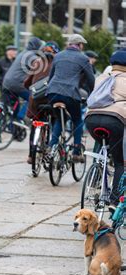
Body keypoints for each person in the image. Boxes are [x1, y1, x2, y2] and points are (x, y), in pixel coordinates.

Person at [85, 50, 126, 206]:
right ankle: (114, 201)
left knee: (103, 145)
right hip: (115, 120)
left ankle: (98, 170)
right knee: (120, 162)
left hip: (91, 120)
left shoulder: (101, 78)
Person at [46, 34, 95, 163]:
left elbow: (51, 77)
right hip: (70, 93)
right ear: (79, 45)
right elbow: (91, 80)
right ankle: (76, 151)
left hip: (53, 92)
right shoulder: (83, 59)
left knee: (59, 119)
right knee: (77, 120)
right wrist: (93, 94)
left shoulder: (58, 56)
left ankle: (51, 146)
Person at [23, 42, 60, 164]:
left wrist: (31, 87)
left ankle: (30, 155)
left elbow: (27, 82)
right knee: (55, 121)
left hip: (36, 102)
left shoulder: (36, 62)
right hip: (51, 100)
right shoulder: (58, 63)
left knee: (35, 124)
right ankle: (50, 148)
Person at [2, 37, 43, 119]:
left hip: (6, 83)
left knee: (16, 105)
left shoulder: (23, 53)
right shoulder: (31, 55)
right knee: (33, 98)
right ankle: (20, 117)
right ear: (37, 46)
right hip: (16, 84)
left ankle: (13, 124)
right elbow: (41, 66)